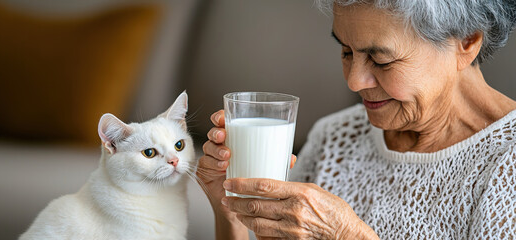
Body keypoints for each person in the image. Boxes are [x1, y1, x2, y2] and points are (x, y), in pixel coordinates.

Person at [197, 0, 516, 239]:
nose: (354, 81)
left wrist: (348, 235)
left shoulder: (507, 164)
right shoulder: (334, 137)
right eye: (347, 52)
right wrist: (231, 211)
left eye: (381, 60)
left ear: (466, 42)